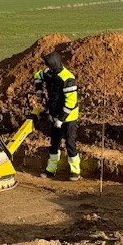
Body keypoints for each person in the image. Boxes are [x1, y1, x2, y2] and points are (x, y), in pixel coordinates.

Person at [32, 50, 80, 179]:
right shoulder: (49, 73)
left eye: (48, 65)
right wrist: (39, 89)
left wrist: (61, 119)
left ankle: (75, 171)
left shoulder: (68, 78)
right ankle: (50, 170)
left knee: (70, 144)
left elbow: (71, 102)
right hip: (54, 115)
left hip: (68, 118)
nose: (47, 68)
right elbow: (38, 75)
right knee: (54, 144)